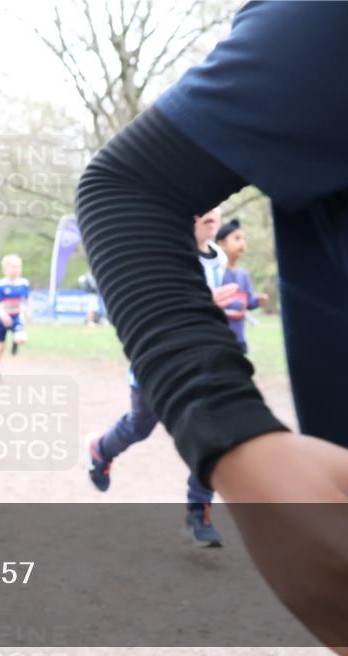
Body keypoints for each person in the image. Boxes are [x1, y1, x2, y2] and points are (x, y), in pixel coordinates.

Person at [74, 2, 348, 656]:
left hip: (226, 350)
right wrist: (236, 439)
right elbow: (127, 191)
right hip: (167, 364)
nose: (214, 228)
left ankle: (194, 511)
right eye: (209, 222)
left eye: (217, 223)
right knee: (144, 422)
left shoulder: (229, 264)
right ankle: (108, 451)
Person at [85, 209, 236, 548]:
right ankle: (100, 450)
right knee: (138, 426)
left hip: (199, 360)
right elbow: (149, 304)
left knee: (211, 433)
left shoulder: (219, 257)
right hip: (156, 360)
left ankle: (198, 513)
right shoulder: (164, 251)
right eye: (202, 208)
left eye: (216, 207)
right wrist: (201, 302)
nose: (211, 214)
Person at [215, 218, 268, 353]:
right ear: (221, 244)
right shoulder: (216, 273)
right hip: (219, 339)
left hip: (239, 340)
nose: (242, 243)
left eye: (244, 239)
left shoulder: (243, 275)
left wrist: (257, 301)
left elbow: (248, 303)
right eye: (237, 238)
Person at [0, 254, 30, 380]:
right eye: (13, 267)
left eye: (18, 267)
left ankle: (15, 340)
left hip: (16, 318)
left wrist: (29, 313)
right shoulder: (0, 285)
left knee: (22, 338)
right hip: (1, 320)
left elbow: (26, 300)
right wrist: (3, 315)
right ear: (5, 269)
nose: (16, 270)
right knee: (0, 347)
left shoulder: (24, 284)